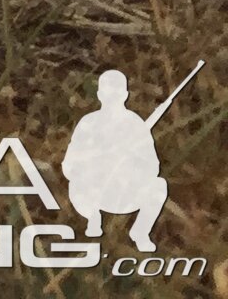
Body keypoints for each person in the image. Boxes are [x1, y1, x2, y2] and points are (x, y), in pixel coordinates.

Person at [63, 70, 169, 251]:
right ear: (100, 94)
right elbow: (69, 164)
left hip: (125, 192)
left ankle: (140, 232)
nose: (112, 97)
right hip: (94, 193)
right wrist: (97, 161)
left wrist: (131, 159)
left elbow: (153, 167)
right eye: (108, 92)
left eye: (116, 92)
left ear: (125, 95)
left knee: (159, 186)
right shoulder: (88, 123)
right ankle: (92, 219)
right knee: (76, 184)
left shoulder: (135, 124)